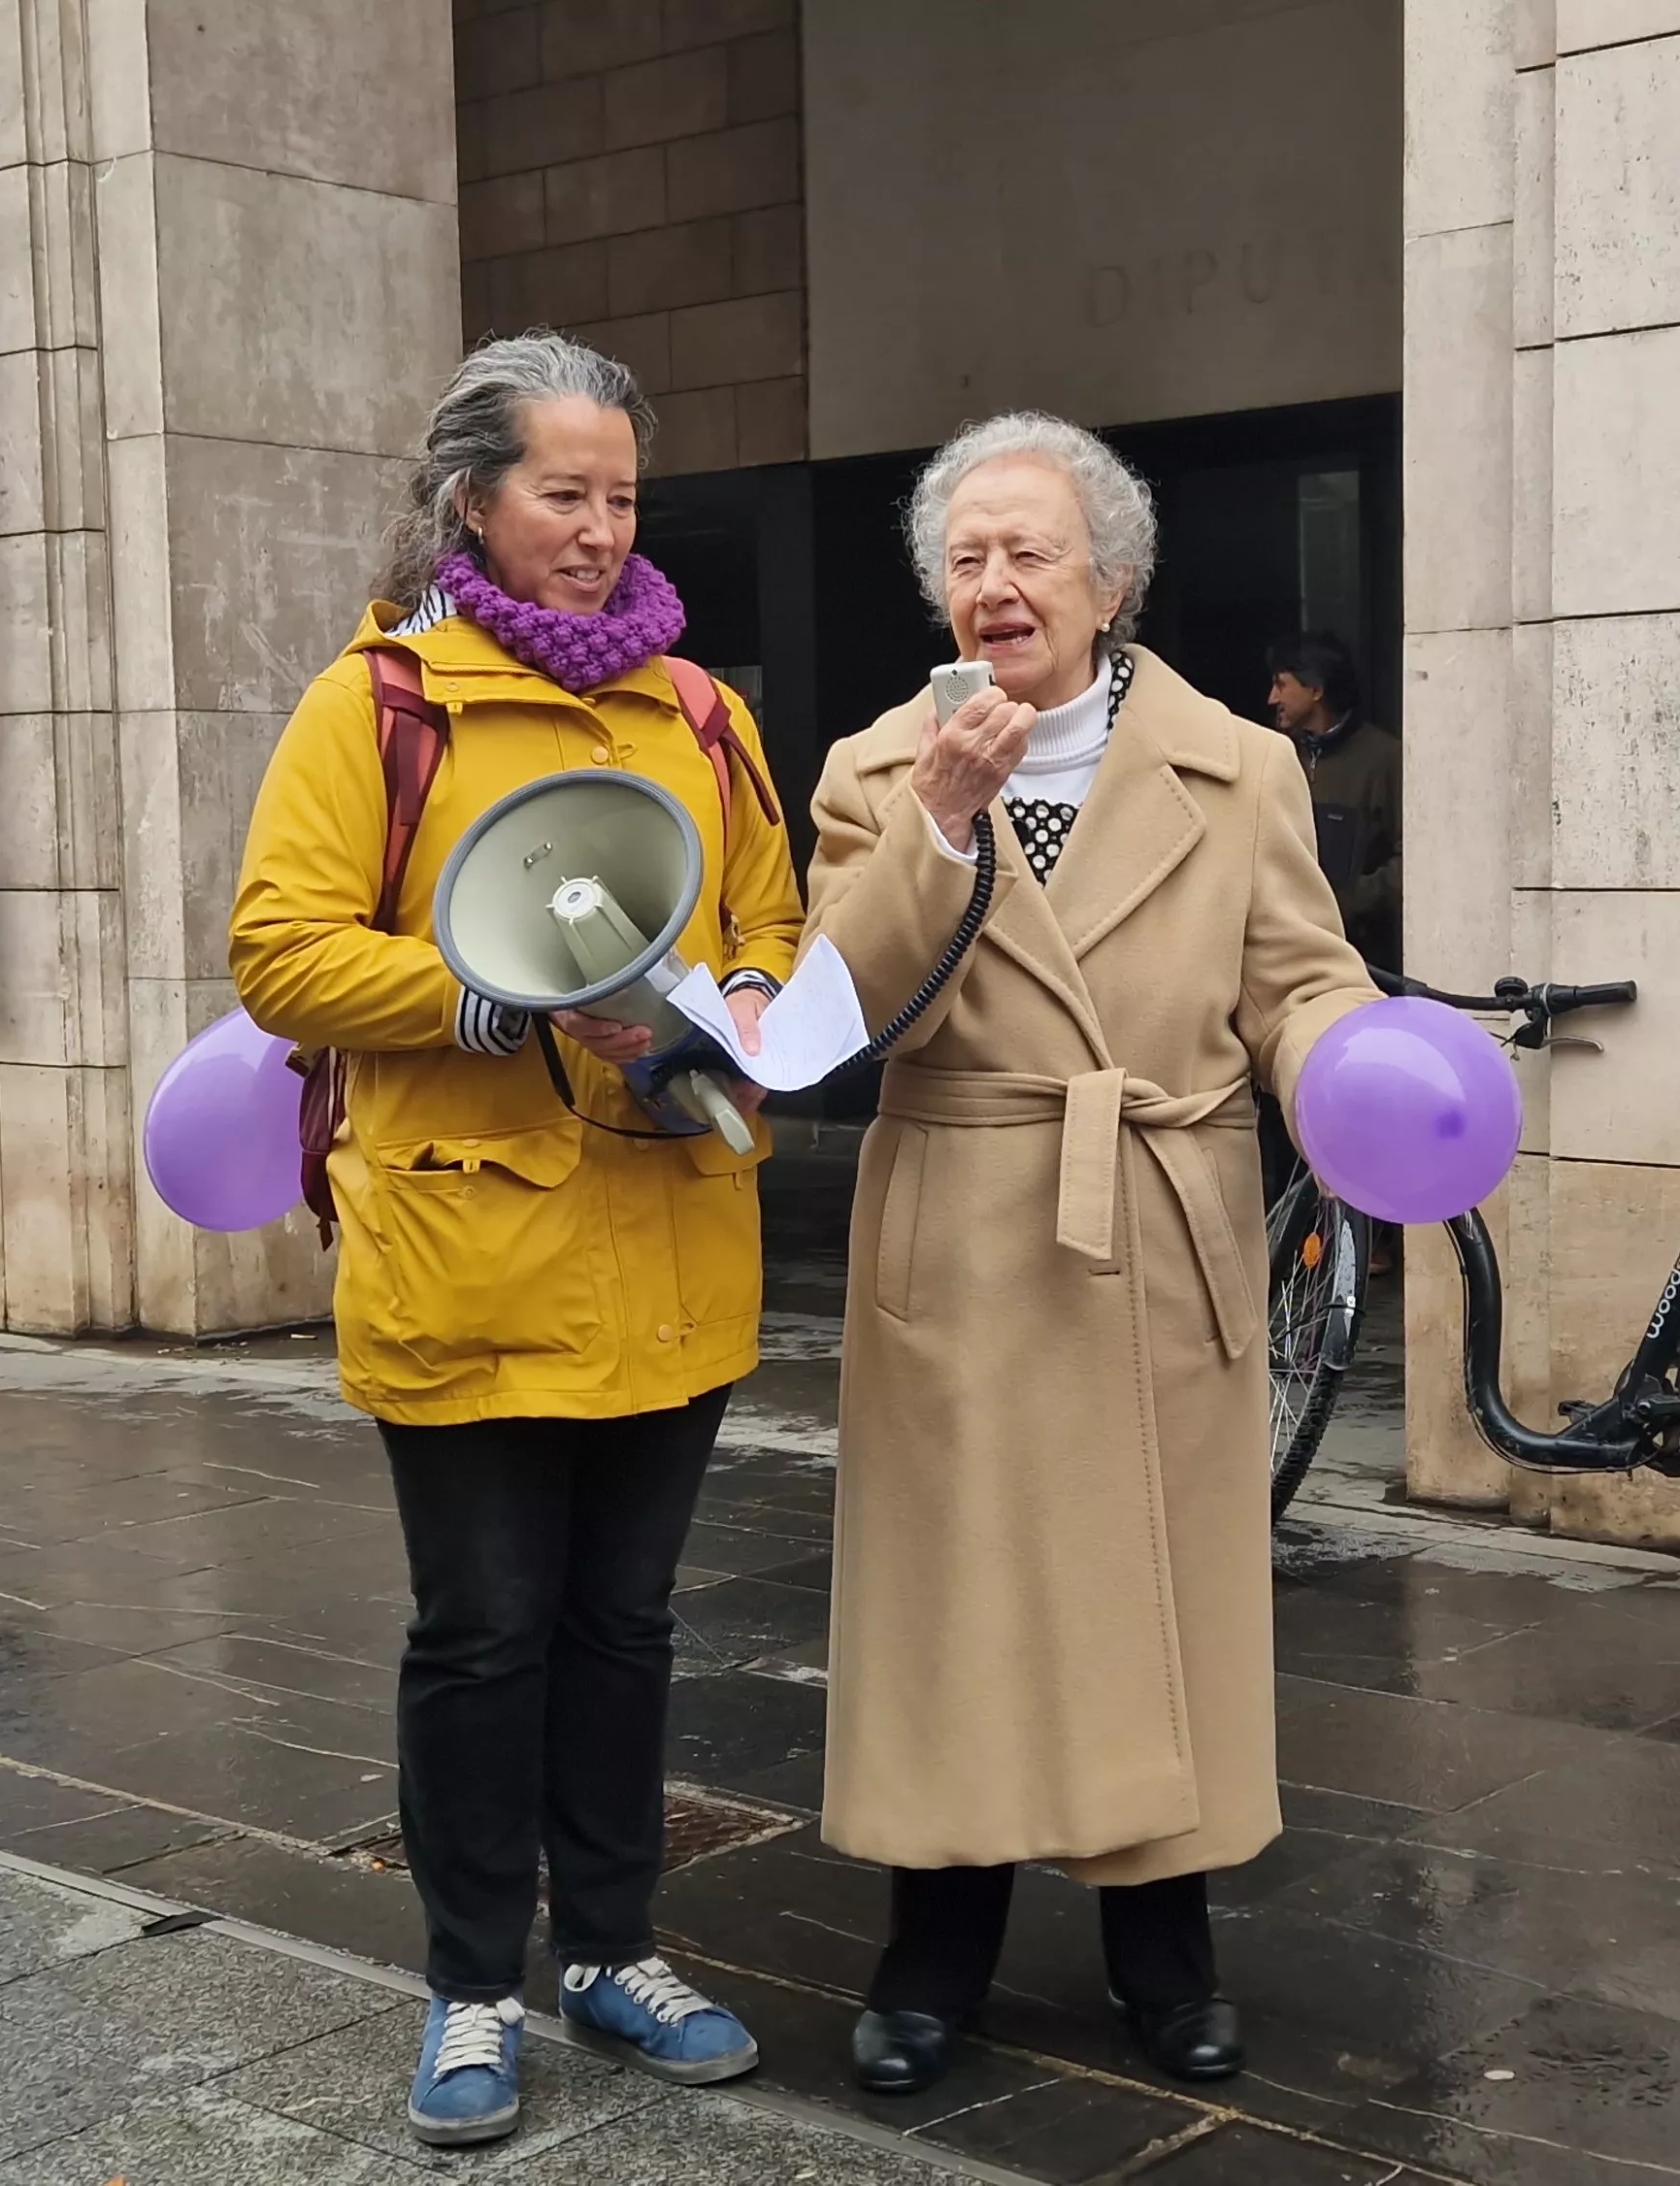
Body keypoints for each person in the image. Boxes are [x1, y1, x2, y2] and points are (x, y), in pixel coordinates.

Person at [231, 334, 799, 2150]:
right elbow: (280, 949)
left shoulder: (702, 714)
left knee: (624, 1627)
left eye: (622, 496)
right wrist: (492, 1004)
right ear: (471, 497)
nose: (599, 528)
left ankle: (616, 1948)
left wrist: (711, 1025)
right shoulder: (382, 705)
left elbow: (777, 936)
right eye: (565, 492)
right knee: (483, 1635)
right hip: (468, 1257)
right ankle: (475, 1977)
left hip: (668, 1241)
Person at [801, 414, 1376, 2096]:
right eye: (964, 556)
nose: (993, 583)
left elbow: (1297, 975)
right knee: (954, 1596)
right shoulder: (872, 765)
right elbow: (839, 1001)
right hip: (966, 1215)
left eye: (1027, 550)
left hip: (1156, 1212)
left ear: (1110, 579)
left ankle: (1163, 1945)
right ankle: (936, 1944)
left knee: (1163, 1598)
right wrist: (944, 828)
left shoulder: (1240, 765)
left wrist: (1346, 1061)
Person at [1265, 631, 1399, 975]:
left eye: (1282, 684)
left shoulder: (1384, 760)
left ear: (1316, 690)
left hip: (1362, 961)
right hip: (1283, 952)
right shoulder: (1273, 755)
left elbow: (1413, 861)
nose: (1271, 698)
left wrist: (1351, 902)